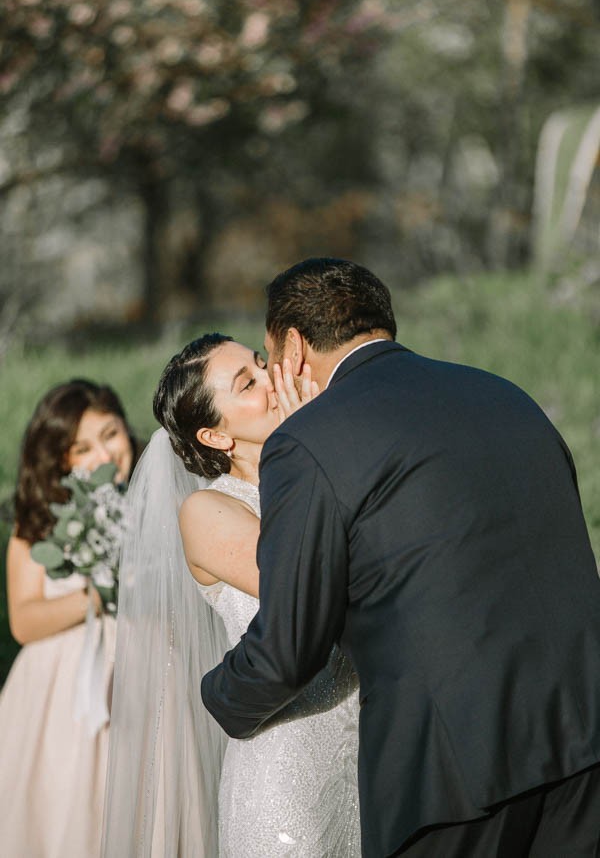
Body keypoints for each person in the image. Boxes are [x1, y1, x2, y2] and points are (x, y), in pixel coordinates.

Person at [201, 257, 600, 858]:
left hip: (455, 774)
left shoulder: (310, 440)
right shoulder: (506, 395)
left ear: (295, 347)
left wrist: (216, 695)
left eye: (268, 356)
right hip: (583, 738)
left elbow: (291, 648)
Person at [102, 333, 360, 858]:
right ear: (215, 437)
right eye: (248, 382)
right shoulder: (206, 513)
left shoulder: (334, 469)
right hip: (289, 778)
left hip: (369, 755)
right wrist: (310, 440)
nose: (272, 379)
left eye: (261, 364)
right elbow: (305, 581)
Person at [0, 379, 137, 858]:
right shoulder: (37, 519)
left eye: (111, 435)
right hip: (57, 694)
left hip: (140, 677)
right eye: (81, 447)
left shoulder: (154, 504)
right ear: (59, 457)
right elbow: (24, 620)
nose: (102, 454)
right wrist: (97, 594)